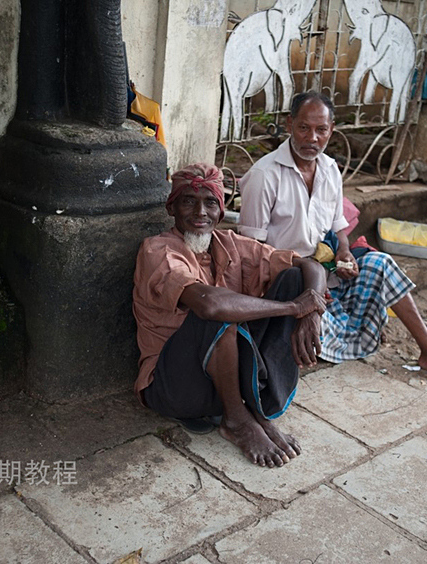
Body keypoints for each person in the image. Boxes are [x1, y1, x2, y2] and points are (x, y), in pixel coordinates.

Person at [238, 91, 427, 383]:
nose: (312, 138)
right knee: (310, 336)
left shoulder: (330, 169)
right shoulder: (265, 175)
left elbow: (337, 229)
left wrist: (344, 252)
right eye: (304, 128)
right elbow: (253, 252)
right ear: (289, 124)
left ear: (332, 130)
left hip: (327, 273)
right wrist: (311, 282)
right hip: (289, 281)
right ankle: (330, 330)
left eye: (321, 130)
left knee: (381, 264)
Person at [133, 163, 330, 468]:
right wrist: (294, 308)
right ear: (172, 208)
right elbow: (210, 305)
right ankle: (236, 420)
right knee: (219, 312)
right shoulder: (157, 250)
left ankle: (253, 404)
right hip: (176, 387)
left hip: (226, 377)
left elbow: (311, 266)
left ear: (221, 212)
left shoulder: (229, 243)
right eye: (189, 201)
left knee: (293, 278)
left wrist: (312, 310)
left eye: (210, 202)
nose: (200, 212)